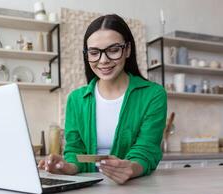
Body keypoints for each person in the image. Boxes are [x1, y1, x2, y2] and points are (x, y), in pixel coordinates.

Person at [38, 14, 167, 184]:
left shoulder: (153, 94)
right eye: (94, 52)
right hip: (88, 191)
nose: (103, 60)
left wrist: (131, 168)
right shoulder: (76, 99)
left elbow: (146, 149)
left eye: (113, 50)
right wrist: (68, 167)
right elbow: (75, 151)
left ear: (127, 49)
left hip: (135, 189)